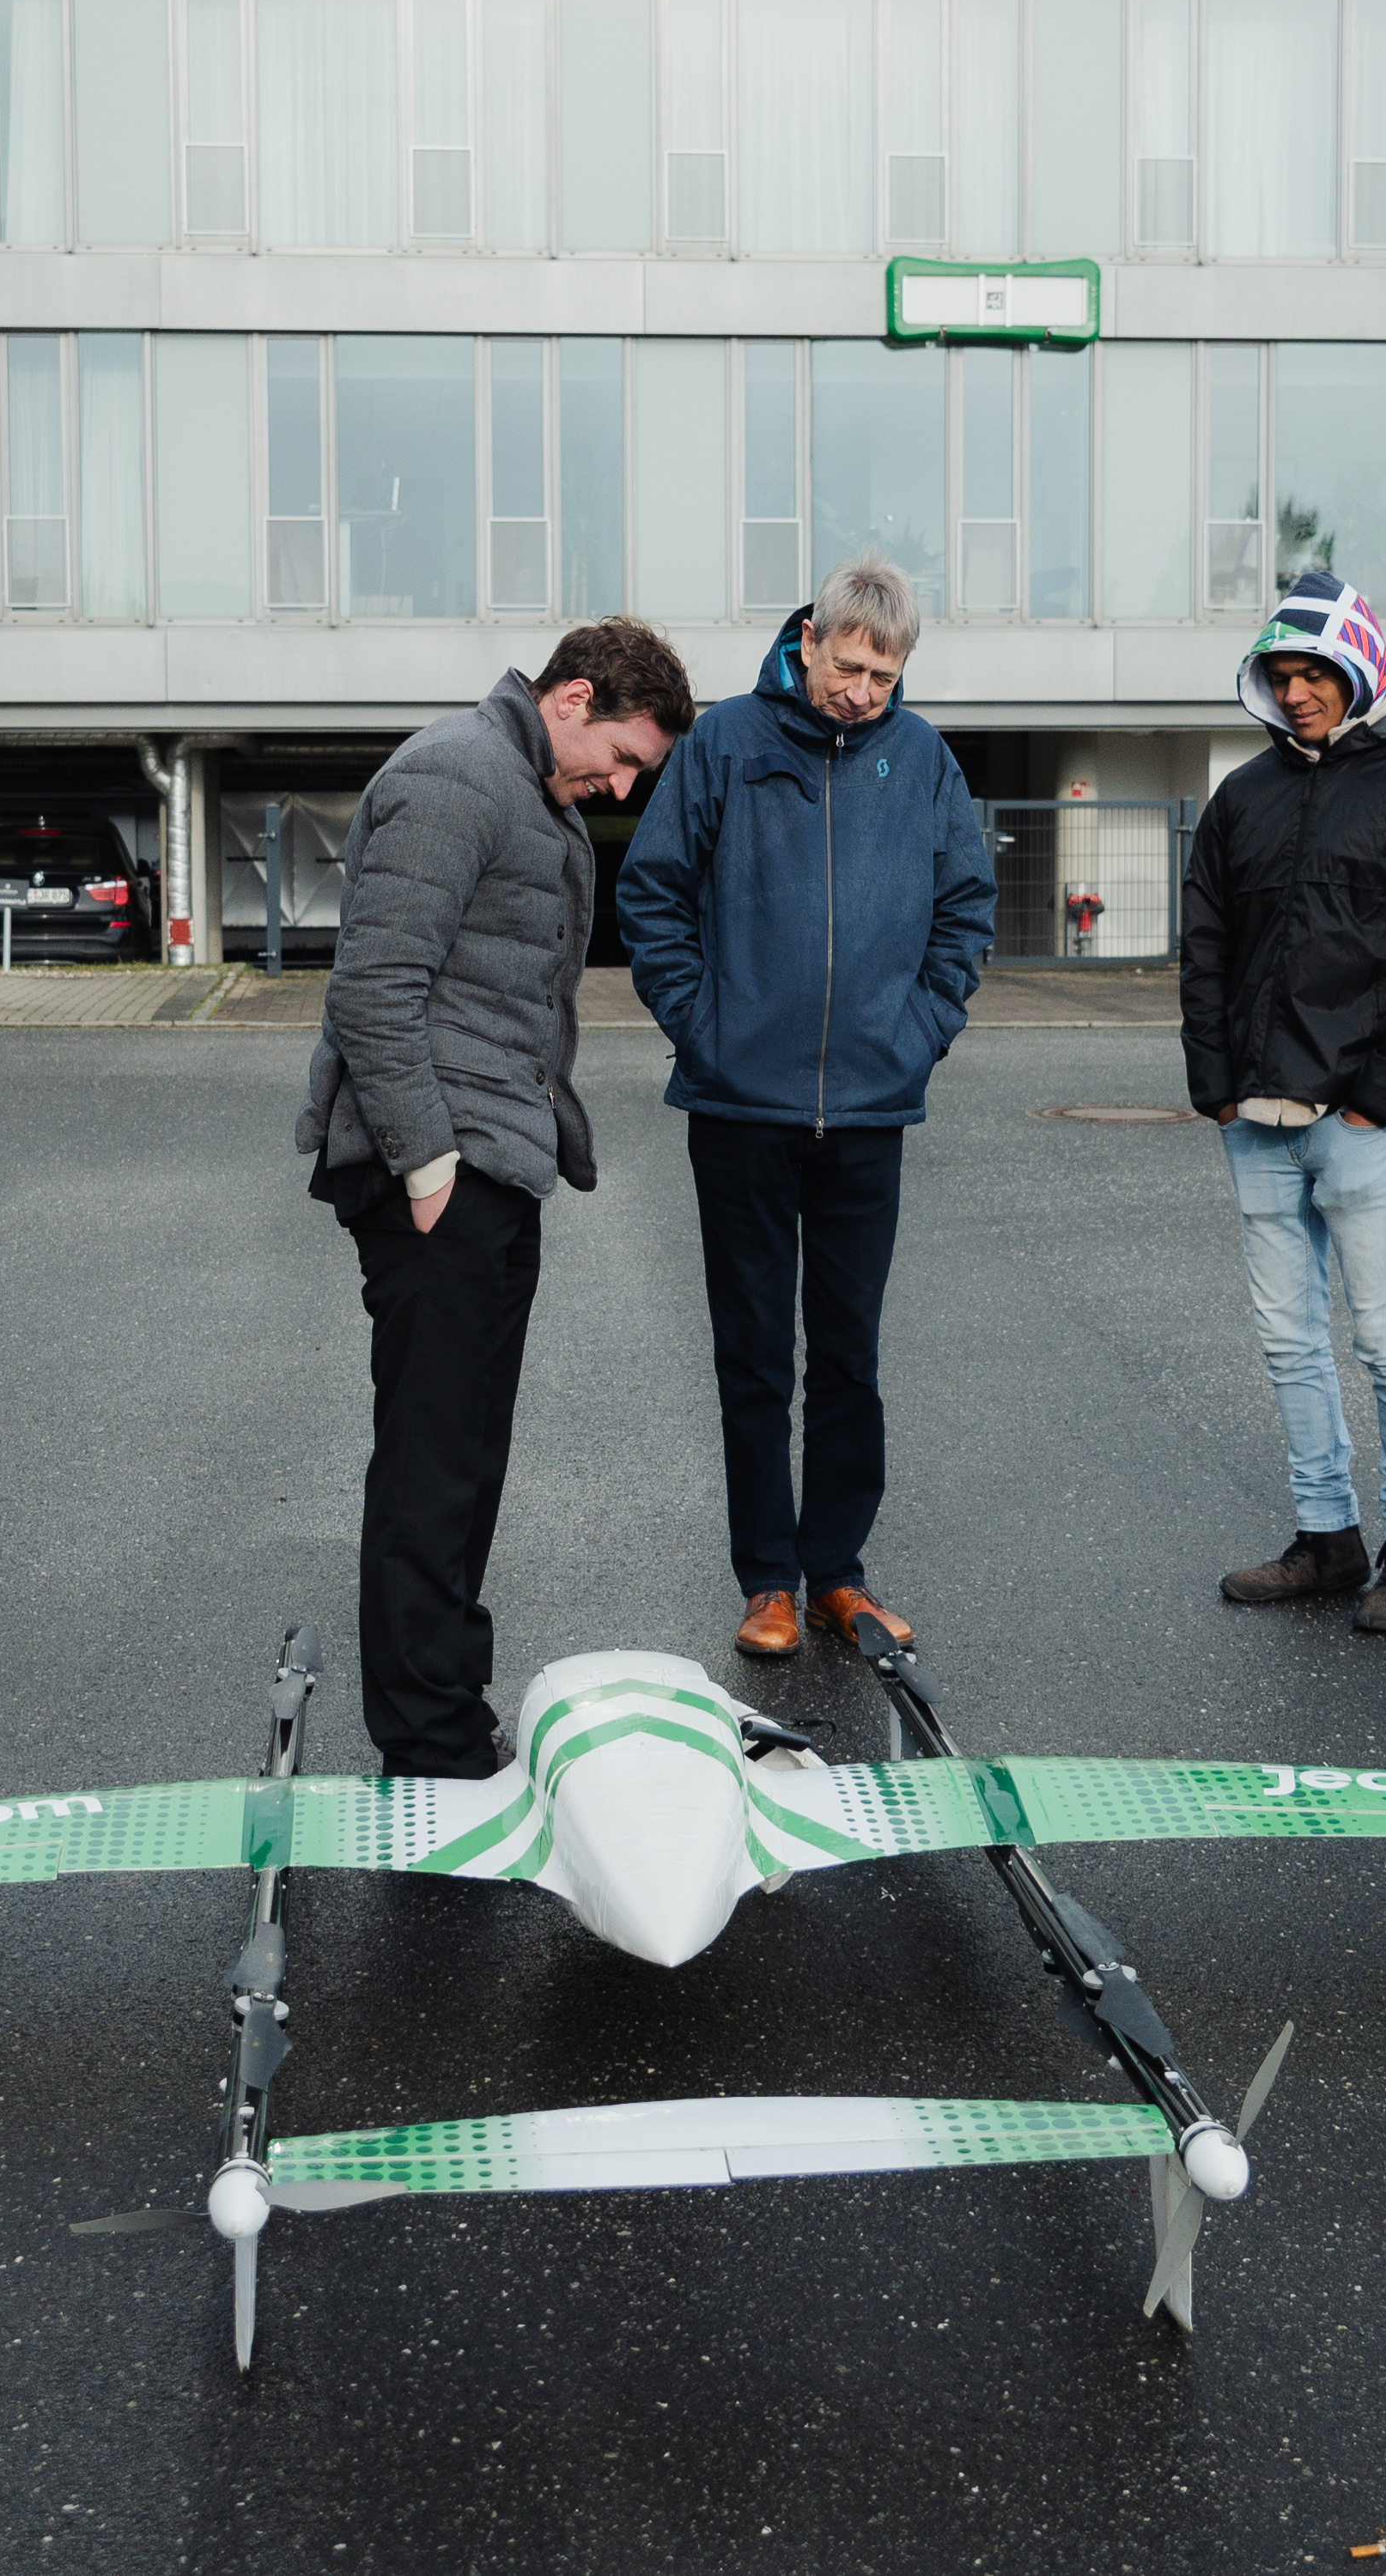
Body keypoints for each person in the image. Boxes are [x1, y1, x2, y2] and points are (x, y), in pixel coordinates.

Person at [296, 622, 696, 1777]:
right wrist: (426, 1164)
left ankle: (447, 1715)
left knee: (464, 1456)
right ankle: (428, 1740)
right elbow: (374, 985)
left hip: (493, 1161)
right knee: (432, 1459)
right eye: (620, 755)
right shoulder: (452, 774)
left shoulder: (525, 787)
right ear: (570, 696)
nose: (620, 785)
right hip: (442, 1167)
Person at [617, 555, 996, 1661]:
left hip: (869, 1111)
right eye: (851, 664)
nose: (864, 691)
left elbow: (965, 910)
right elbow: (650, 891)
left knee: (848, 1356)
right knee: (753, 1359)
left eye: (886, 673)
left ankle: (837, 1572)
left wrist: (919, 1033)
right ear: (810, 640)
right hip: (739, 1107)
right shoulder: (727, 742)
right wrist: (704, 1024)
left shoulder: (920, 761)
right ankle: (766, 1581)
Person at [1179, 571, 1386, 1637]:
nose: (1298, 691)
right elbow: (1207, 944)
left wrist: (1381, 1096)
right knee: (1287, 1342)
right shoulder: (1245, 795)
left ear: (1359, 668)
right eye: (1281, 673)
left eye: (1314, 670)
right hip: (1254, 1123)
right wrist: (1211, 1084)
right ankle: (1326, 1539)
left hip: (1361, 1121)